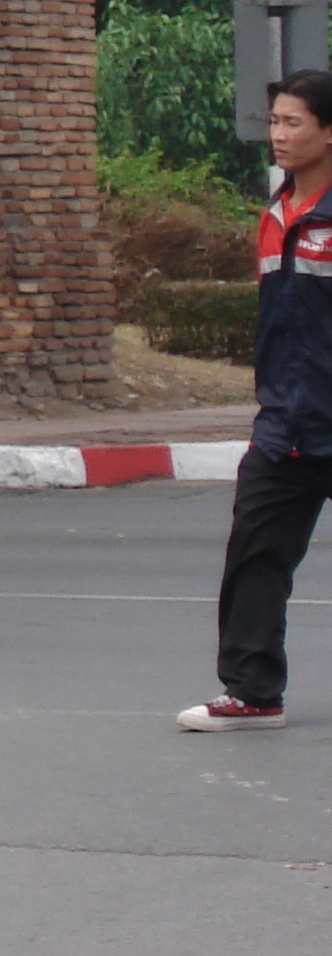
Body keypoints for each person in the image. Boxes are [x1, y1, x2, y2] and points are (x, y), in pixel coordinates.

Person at [180, 67, 332, 730]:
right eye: (274, 122)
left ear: (329, 132)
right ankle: (252, 691)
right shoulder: (275, 215)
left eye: (293, 122)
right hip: (286, 425)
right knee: (255, 557)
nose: (278, 134)